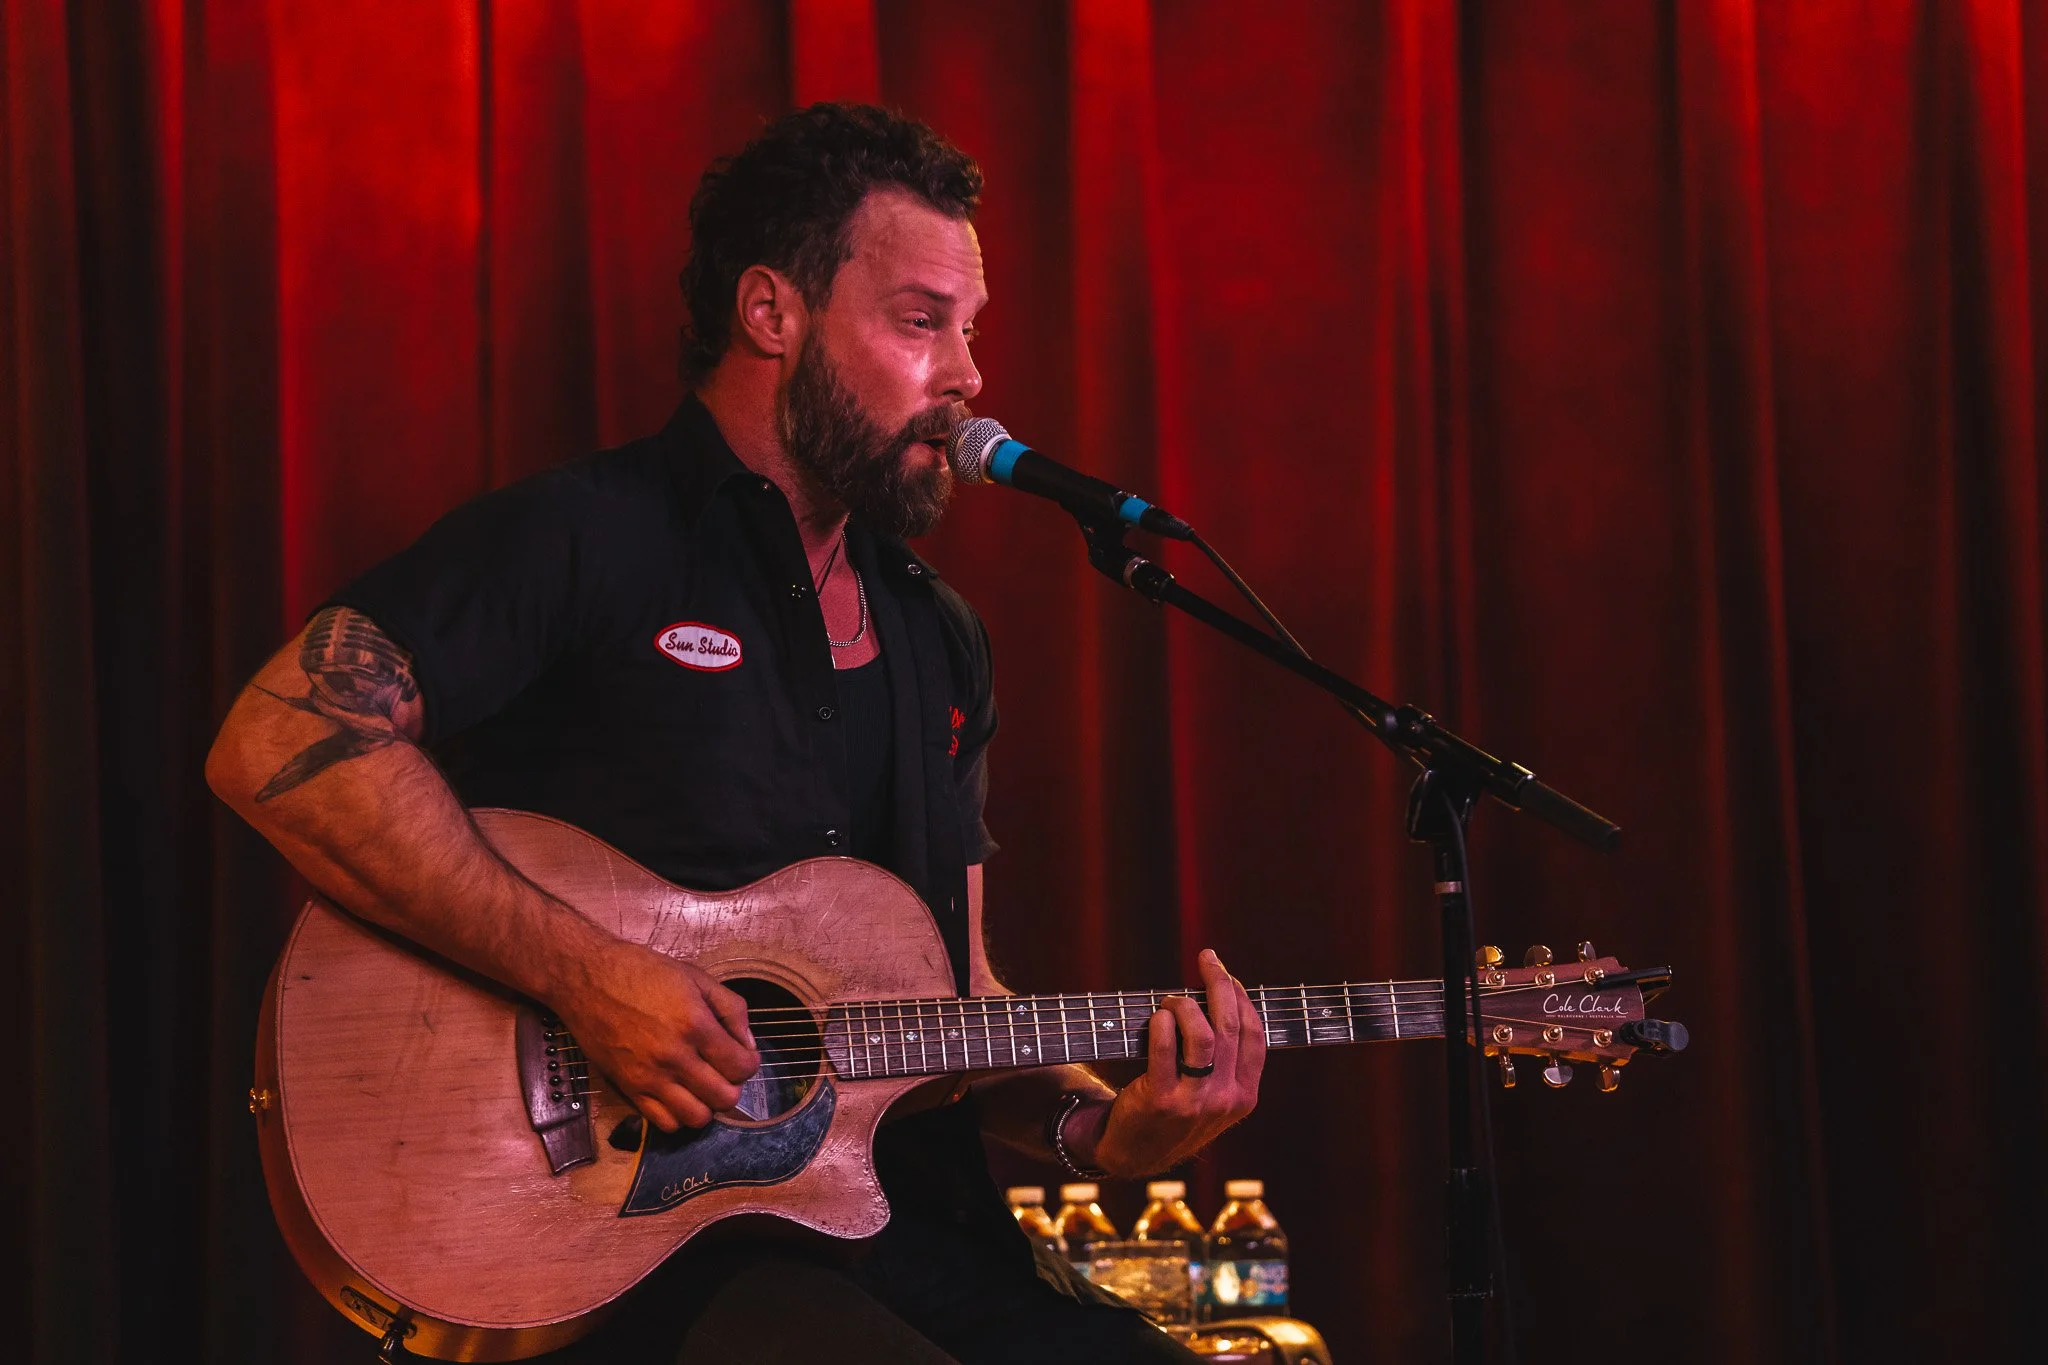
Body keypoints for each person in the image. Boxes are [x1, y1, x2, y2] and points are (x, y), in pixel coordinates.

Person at [206, 102, 1264, 1364]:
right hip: (628, 1254)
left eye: (968, 328)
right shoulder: (583, 538)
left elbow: (952, 1002)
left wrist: (1098, 1132)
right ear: (772, 313)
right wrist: (584, 977)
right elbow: (273, 744)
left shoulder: (936, 634)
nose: (968, 375)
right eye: (920, 321)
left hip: (899, 1231)